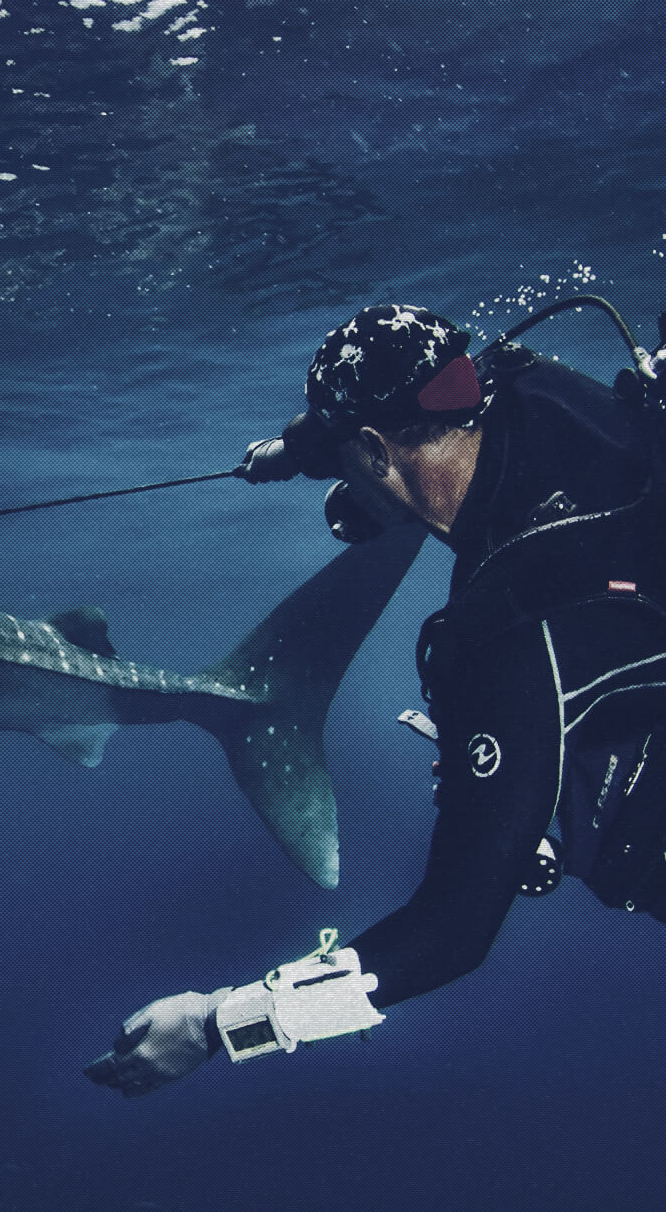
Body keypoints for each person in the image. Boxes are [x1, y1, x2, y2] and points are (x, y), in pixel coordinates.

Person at [86, 302, 666, 1098]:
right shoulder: (516, 386)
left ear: (371, 448)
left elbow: (452, 935)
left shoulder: (509, 638)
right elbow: (365, 424)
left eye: (348, 459)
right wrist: (293, 451)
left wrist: (220, 1023)